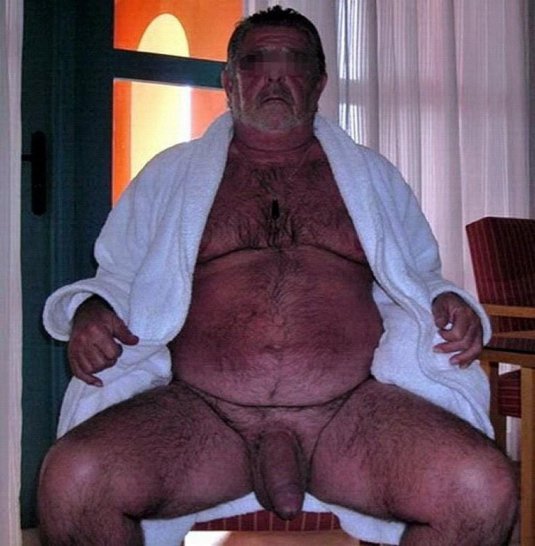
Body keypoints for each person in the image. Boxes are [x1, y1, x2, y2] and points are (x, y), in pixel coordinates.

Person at [38, 6, 517, 546]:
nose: (274, 77)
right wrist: (91, 310)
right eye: (256, 62)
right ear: (229, 81)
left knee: (483, 488)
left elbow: (416, 275)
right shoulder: (171, 175)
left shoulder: (371, 176)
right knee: (73, 481)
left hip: (348, 415)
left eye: (294, 62)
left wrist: (446, 301)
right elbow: (120, 275)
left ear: (319, 82)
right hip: (206, 415)